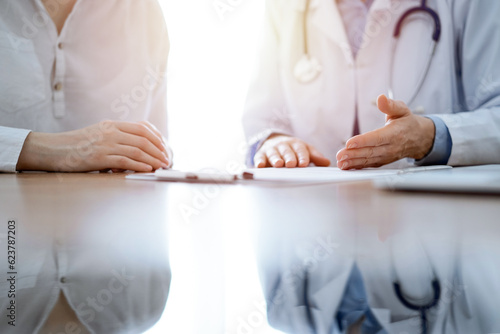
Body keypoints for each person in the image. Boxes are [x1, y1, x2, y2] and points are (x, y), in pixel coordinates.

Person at [243, 0, 500, 169]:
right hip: (313, 218)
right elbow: (262, 118)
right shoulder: (284, 7)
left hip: (435, 220)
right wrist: (273, 141)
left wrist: (430, 137)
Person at [0, 0, 172, 173]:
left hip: (118, 199)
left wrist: (160, 152)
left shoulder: (144, 10)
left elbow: (160, 141)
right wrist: (45, 150)